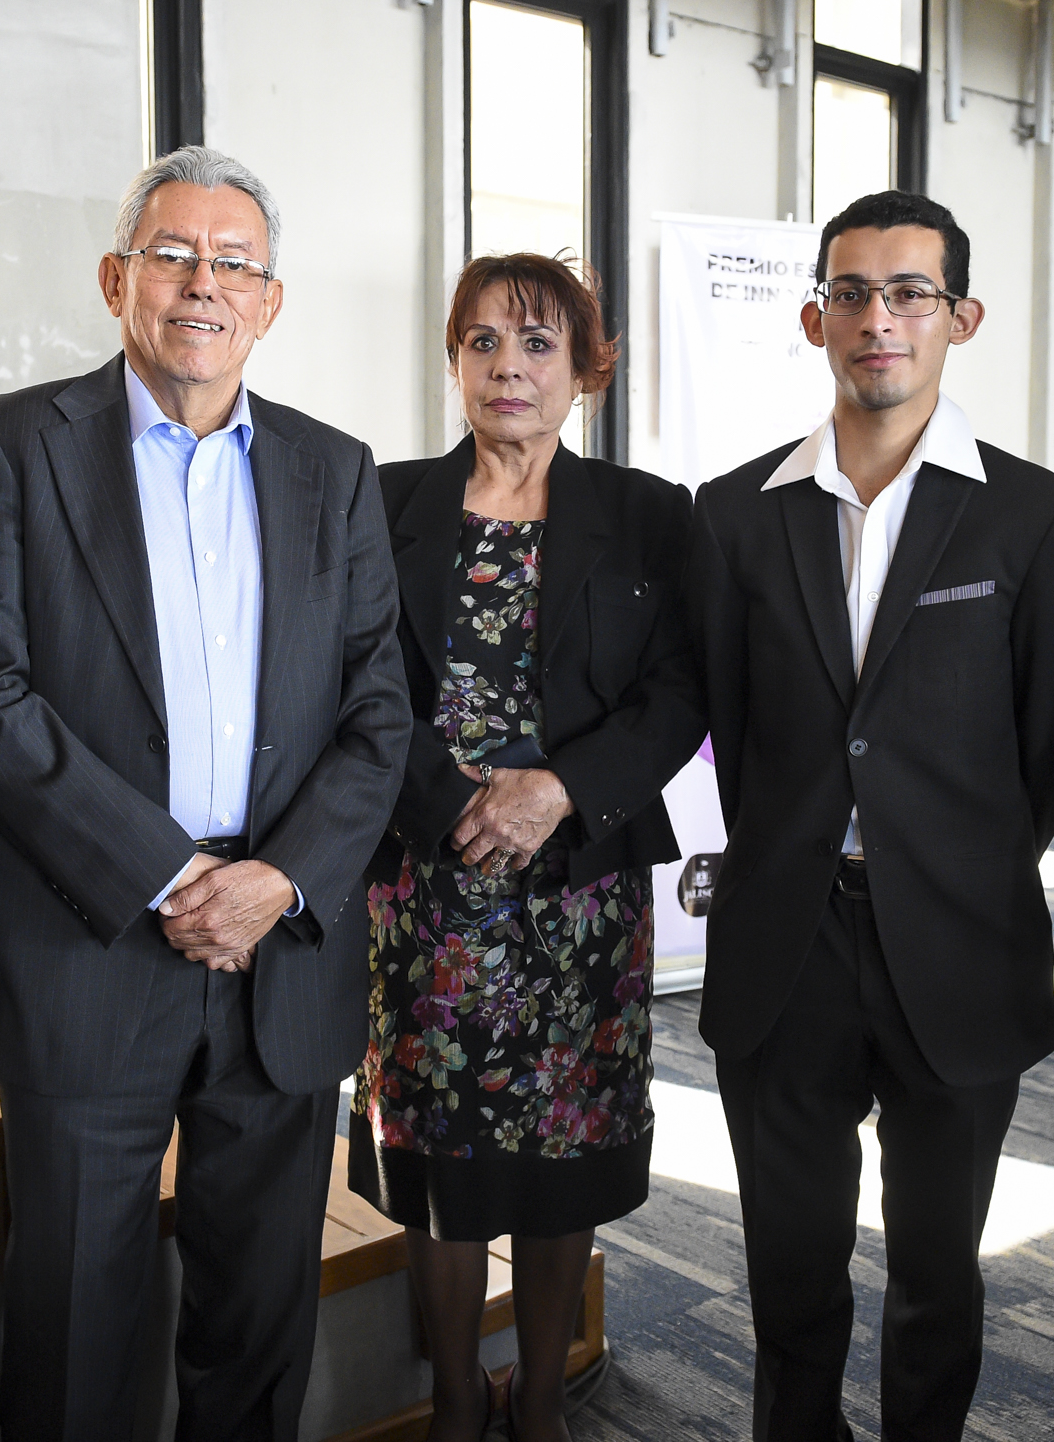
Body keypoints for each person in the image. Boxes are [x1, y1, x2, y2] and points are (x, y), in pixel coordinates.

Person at [0, 145, 409, 1442]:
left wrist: (274, 880)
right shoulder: (15, 445)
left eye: (234, 263)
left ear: (269, 300)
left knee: (258, 1319)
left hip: (283, 946)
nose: (204, 284)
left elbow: (380, 714)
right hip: (85, 940)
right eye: (173, 255)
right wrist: (170, 873)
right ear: (116, 279)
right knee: (74, 1319)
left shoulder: (334, 470)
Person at [686, 191, 1054, 1441]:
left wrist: (940, 862)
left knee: (937, 1278)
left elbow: (1048, 751)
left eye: (909, 292)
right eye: (852, 292)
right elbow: (732, 729)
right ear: (814, 316)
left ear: (959, 317)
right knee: (790, 1276)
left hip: (957, 942)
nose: (879, 319)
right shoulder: (734, 512)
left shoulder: (1035, 516)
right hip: (787, 946)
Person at [353, 253, 703, 1442]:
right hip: (424, 884)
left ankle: (542, 1394)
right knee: (436, 1159)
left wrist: (558, 791)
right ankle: (457, 1395)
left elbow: (677, 691)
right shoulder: (384, 499)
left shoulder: (650, 510)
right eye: (484, 342)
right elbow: (355, 684)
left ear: (586, 368)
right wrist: (452, 800)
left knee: (569, 1152)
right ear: (453, 359)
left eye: (539, 344)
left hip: (579, 887)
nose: (510, 368)